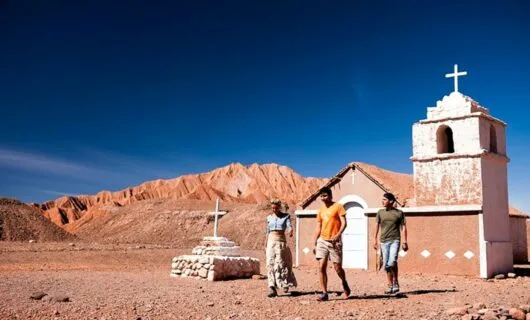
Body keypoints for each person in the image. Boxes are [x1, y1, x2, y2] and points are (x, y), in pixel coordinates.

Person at [312, 187, 351, 301]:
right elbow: (318, 227)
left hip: (335, 241)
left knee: (337, 268)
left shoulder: (338, 207)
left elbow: (344, 223)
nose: (323, 198)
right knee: (321, 267)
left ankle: (344, 282)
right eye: (322, 196)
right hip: (322, 241)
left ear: (330, 196)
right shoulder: (320, 210)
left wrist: (338, 235)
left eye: (325, 195)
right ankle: (324, 293)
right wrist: (314, 242)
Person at [373, 192, 408, 294]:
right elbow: (376, 226)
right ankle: (390, 285)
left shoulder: (399, 213)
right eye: (382, 199)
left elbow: (404, 228)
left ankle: (396, 282)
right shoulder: (380, 212)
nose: (382, 201)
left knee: (391, 261)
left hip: (395, 240)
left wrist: (405, 241)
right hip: (383, 242)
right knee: (387, 265)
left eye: (384, 199)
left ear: (391, 201)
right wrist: (374, 239)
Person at [264, 198, 297, 297]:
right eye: (272, 208)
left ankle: (284, 282)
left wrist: (290, 230)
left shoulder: (285, 216)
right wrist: (265, 243)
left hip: (281, 241)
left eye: (276, 208)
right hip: (271, 241)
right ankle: (271, 287)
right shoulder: (269, 218)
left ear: (279, 207)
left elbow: (289, 226)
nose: (274, 210)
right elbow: (267, 231)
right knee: (270, 262)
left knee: (281, 263)